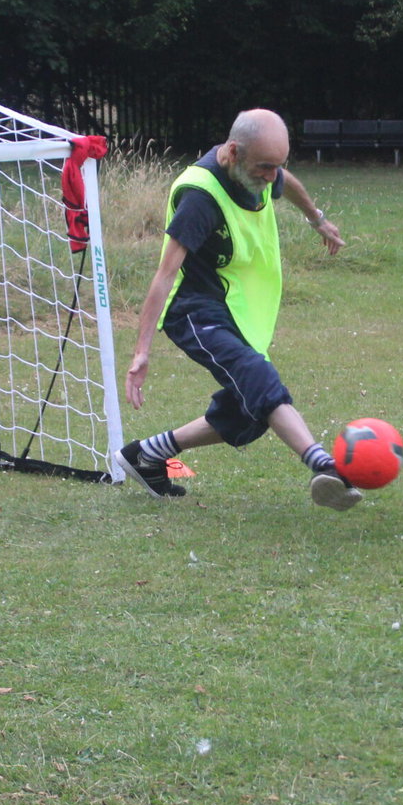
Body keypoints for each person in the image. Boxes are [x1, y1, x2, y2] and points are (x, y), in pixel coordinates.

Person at [115, 109, 362, 509]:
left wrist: (317, 218)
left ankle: (145, 455)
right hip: (192, 311)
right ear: (232, 151)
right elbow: (163, 275)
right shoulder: (200, 197)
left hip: (232, 305)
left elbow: (287, 182)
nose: (271, 176)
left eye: (276, 166)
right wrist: (142, 350)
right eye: (265, 167)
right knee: (258, 380)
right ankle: (323, 464)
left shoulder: (259, 169)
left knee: (248, 411)